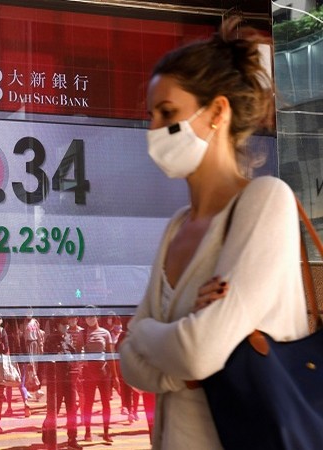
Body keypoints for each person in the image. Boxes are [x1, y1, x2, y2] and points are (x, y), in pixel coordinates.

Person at [118, 17, 309, 449]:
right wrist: (181, 358)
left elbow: (195, 353)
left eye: (167, 113)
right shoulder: (176, 227)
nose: (152, 130)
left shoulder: (265, 200)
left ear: (217, 112)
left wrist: (144, 332)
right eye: (150, 115)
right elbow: (129, 365)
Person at [41, 317, 81, 450]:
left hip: (69, 377)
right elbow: (46, 358)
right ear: (57, 325)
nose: (66, 327)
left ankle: (72, 439)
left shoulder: (69, 337)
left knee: (72, 410)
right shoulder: (50, 339)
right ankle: (47, 432)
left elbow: (74, 352)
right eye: (63, 324)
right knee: (54, 410)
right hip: (56, 380)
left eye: (66, 324)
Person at [81, 308, 119, 443]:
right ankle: (87, 432)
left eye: (91, 316)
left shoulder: (106, 333)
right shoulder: (83, 332)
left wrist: (115, 377)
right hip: (88, 373)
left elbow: (110, 355)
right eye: (86, 317)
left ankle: (106, 433)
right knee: (88, 404)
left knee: (106, 403)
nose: (89, 319)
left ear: (96, 317)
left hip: (103, 373)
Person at [3, 318, 31, 417]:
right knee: (21, 385)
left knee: (9, 386)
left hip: (11, 362)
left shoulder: (6, 335)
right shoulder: (21, 334)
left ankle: (9, 407)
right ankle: (26, 403)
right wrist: (28, 362)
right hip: (21, 362)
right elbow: (25, 349)